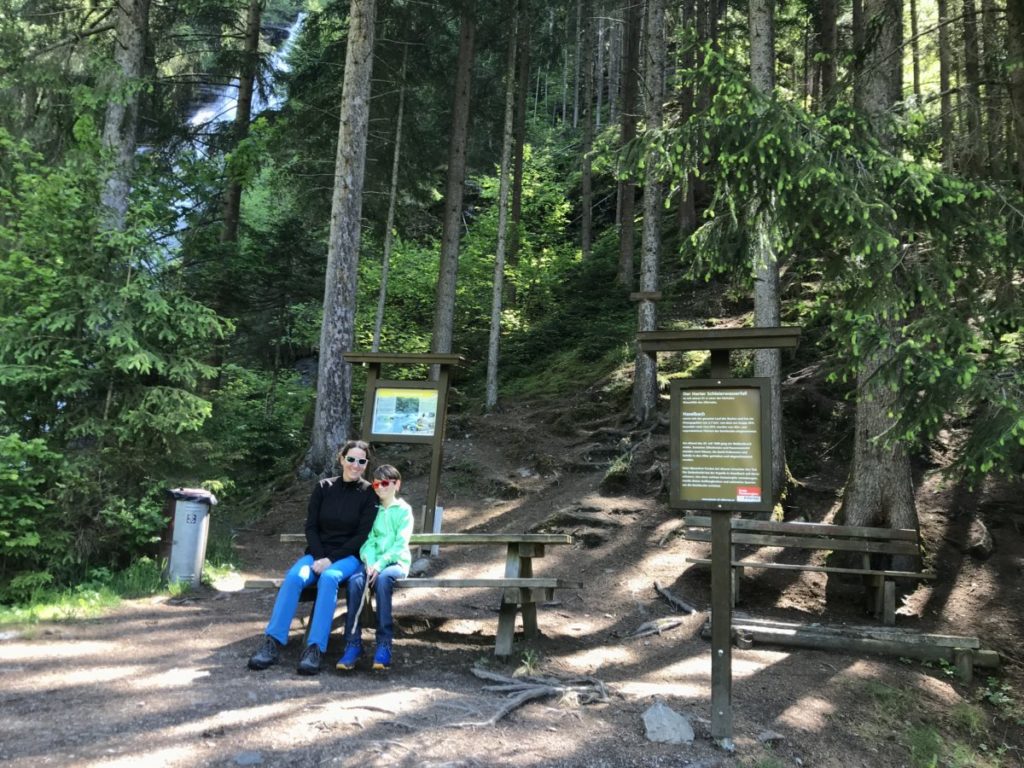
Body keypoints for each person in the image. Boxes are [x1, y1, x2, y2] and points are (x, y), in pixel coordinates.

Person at [247, 440, 378, 675]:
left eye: (361, 461)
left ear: (366, 464)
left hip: (348, 556)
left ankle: (314, 648)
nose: (355, 465)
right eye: (351, 459)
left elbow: (362, 536)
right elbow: (311, 527)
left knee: (329, 579)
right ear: (341, 459)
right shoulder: (323, 487)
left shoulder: (369, 493)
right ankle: (272, 642)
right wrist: (319, 555)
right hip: (317, 554)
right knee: (295, 577)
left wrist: (331, 559)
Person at [336, 464, 414, 671]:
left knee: (382, 580)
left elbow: (400, 543)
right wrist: (370, 562)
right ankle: (352, 643)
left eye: (385, 483)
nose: (380, 488)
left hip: (395, 563)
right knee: (354, 581)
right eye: (376, 484)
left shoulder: (403, 511)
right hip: (371, 564)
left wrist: (380, 565)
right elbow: (367, 540)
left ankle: (384, 644)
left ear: (396, 485)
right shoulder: (373, 510)